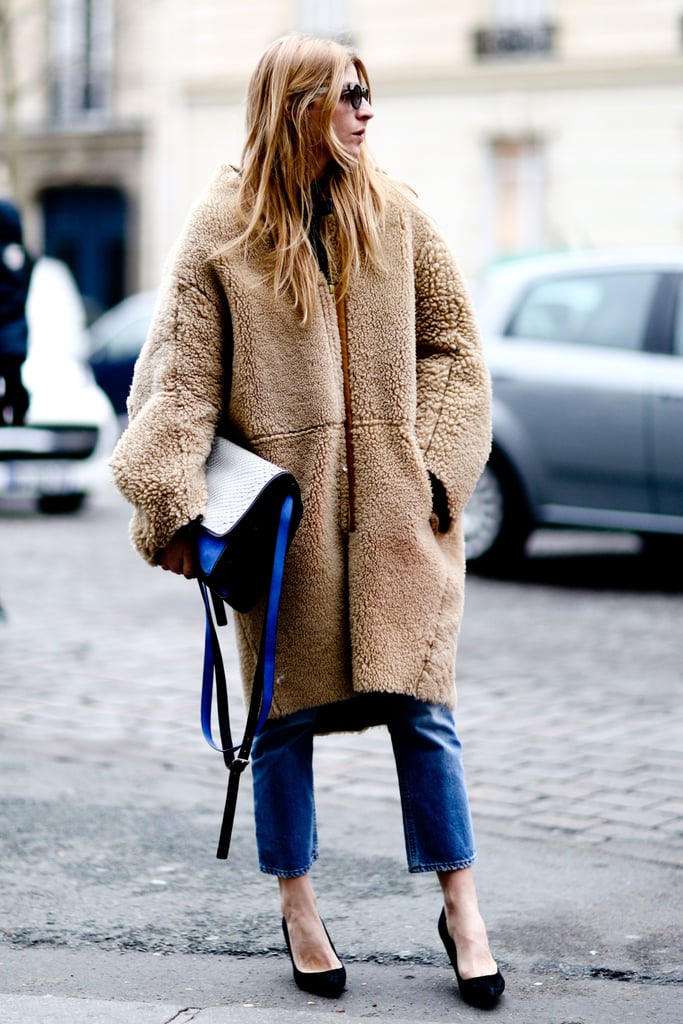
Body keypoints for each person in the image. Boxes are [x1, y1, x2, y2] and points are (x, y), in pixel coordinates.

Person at [111, 33, 505, 1010]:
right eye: (346, 95)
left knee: (425, 715)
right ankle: (297, 904)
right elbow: (176, 386)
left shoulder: (395, 211)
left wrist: (434, 476)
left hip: (392, 527)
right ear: (296, 107)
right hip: (283, 541)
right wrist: (173, 507)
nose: (366, 110)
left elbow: (454, 347)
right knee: (281, 726)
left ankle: (461, 905)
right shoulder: (221, 234)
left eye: (368, 93)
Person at [0, 199, 31, 427]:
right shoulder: (19, 256)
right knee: (12, 379)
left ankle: (15, 412)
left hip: (9, 329)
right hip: (14, 330)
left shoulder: (10, 255)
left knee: (12, 380)